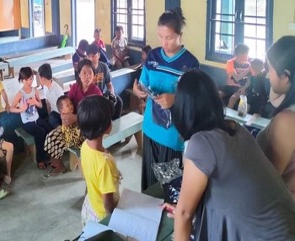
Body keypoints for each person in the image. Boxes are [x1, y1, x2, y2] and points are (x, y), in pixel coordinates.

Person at [167, 69, 295, 241]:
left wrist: (184, 212)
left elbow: (184, 214)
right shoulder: (235, 128)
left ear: (183, 107)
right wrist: (187, 209)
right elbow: (226, 192)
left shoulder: (201, 143)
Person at [132, 8, 199, 191]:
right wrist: (138, 90)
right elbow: (144, 82)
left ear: (180, 35)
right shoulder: (153, 56)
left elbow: (196, 99)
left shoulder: (190, 64)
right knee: (150, 184)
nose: (164, 42)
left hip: (172, 134)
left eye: (168, 37)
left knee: (168, 187)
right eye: (160, 36)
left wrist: (176, 98)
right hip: (151, 127)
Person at [257, 36, 295, 201]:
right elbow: (275, 96)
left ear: (286, 77)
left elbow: (268, 183)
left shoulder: (286, 122)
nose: (267, 75)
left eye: (269, 69)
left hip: (280, 214)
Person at [78, 95, 121, 225]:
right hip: (102, 216)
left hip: (90, 205)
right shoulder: (104, 163)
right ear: (105, 126)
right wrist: (116, 217)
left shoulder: (85, 146)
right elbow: (108, 204)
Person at [10, 67, 52, 169]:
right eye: (26, 80)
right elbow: (11, 108)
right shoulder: (20, 93)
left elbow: (41, 106)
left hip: (37, 118)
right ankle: (40, 159)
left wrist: (35, 102)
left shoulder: (34, 90)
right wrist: (21, 109)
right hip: (27, 122)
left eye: (31, 79)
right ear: (21, 80)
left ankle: (49, 153)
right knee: (40, 132)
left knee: (49, 129)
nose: (29, 82)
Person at [44, 96, 84, 177]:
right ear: (61, 110)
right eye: (67, 105)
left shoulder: (72, 115)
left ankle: (58, 165)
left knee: (54, 138)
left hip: (76, 139)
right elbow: (65, 129)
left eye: (70, 104)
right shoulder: (64, 116)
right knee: (50, 135)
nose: (71, 106)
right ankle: (56, 162)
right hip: (68, 135)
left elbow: (72, 133)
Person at [86, 44, 123, 119]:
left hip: (101, 96)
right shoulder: (85, 69)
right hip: (89, 98)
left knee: (118, 101)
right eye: (89, 56)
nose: (91, 59)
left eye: (94, 56)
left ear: (99, 55)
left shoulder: (104, 67)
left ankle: (114, 123)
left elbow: (109, 85)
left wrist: (111, 95)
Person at [38, 63, 64, 129]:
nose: (39, 79)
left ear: (43, 78)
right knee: (42, 123)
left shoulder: (57, 89)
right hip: (52, 114)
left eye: (39, 77)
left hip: (60, 116)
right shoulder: (45, 87)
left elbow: (64, 107)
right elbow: (47, 103)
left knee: (52, 120)